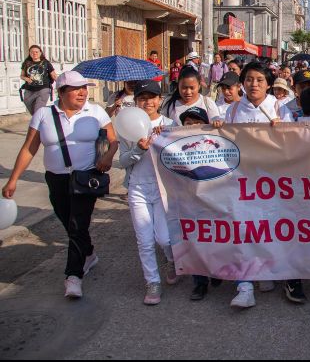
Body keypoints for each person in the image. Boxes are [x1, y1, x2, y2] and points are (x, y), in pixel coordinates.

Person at [2, 71, 118, 298]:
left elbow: (113, 141)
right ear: (62, 92)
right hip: (56, 179)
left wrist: (107, 157)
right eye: (76, 89)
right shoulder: (43, 114)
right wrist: (13, 179)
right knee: (69, 222)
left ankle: (73, 276)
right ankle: (89, 254)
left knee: (77, 224)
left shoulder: (95, 111)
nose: (83, 92)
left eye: (84, 88)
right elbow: (29, 148)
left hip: (86, 177)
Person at [213, 62, 298, 307]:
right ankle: (244, 286)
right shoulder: (232, 110)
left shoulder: (280, 108)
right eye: (249, 79)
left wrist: (283, 131)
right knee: (242, 227)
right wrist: (219, 128)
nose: (254, 84)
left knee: (268, 228)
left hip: (271, 180)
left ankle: (266, 271)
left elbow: (294, 143)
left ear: (269, 84)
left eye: (260, 80)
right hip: (243, 178)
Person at [118, 81, 178, 305]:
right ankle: (152, 282)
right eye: (142, 98)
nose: (148, 102)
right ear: (136, 101)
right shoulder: (126, 125)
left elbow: (181, 154)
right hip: (138, 188)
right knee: (144, 240)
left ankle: (171, 260)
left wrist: (166, 137)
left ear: (159, 100)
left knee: (164, 237)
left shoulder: (171, 123)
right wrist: (138, 149)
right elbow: (123, 161)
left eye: (152, 97)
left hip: (163, 188)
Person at [175, 106, 224, 301]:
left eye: (197, 123)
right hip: (189, 199)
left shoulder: (214, 142)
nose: (193, 126)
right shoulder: (177, 144)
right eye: (188, 123)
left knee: (217, 237)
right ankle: (200, 282)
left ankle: (217, 271)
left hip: (214, 196)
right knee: (195, 239)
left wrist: (221, 128)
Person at [20, 45, 57, 115]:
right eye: (32, 52)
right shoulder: (26, 63)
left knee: (38, 110)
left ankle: (37, 123)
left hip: (43, 89)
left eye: (36, 52)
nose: (34, 53)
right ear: (30, 53)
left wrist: (62, 85)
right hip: (29, 89)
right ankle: (40, 121)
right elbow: (22, 76)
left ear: (40, 53)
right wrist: (27, 79)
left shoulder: (46, 63)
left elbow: (54, 75)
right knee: (33, 112)